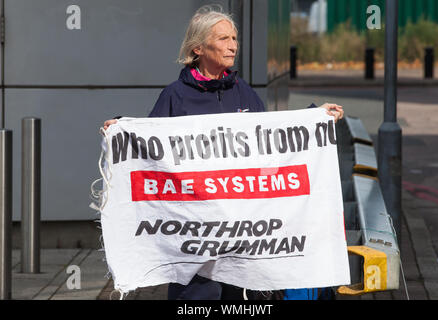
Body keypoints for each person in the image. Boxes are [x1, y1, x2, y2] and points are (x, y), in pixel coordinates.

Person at [102, 5, 344, 300]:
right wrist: (122, 129)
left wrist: (313, 118)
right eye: (223, 39)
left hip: (243, 235)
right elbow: (151, 150)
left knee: (240, 300)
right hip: (194, 233)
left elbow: (270, 144)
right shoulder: (175, 96)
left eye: (234, 38)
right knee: (198, 299)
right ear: (198, 48)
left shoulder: (245, 93)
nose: (233, 46)